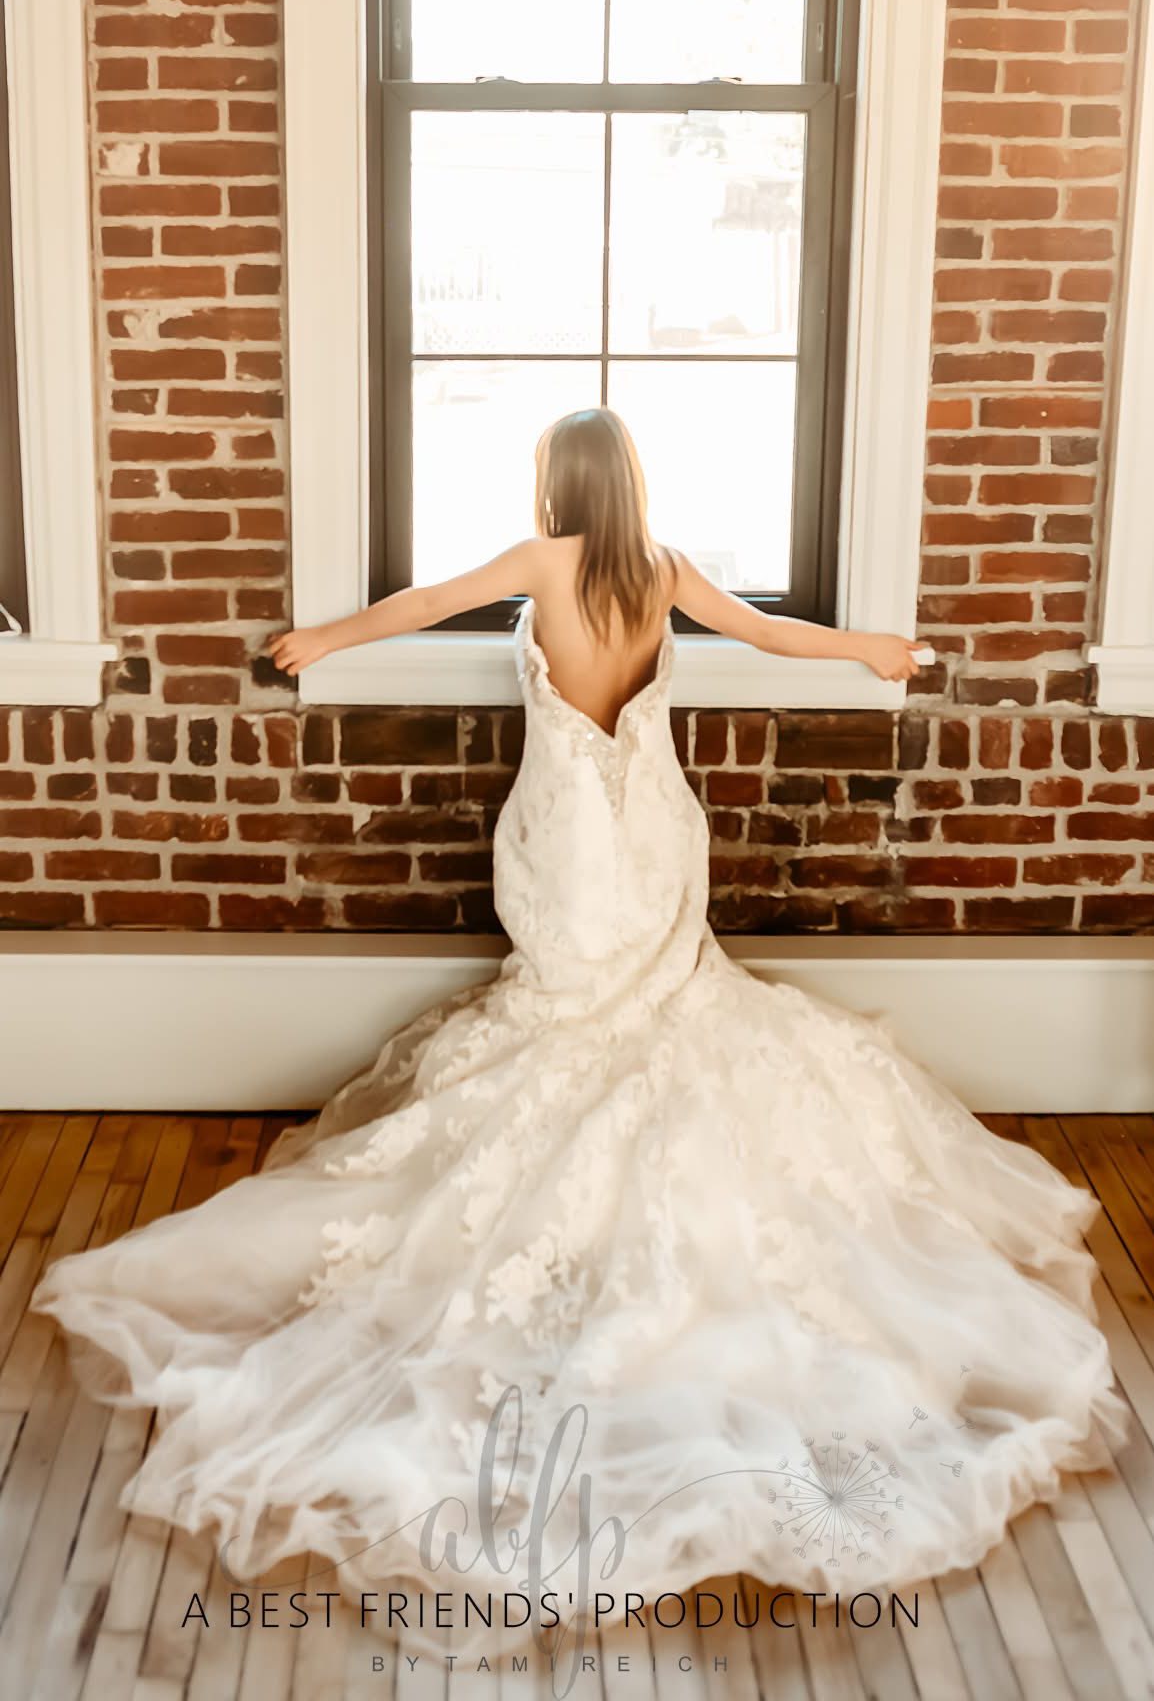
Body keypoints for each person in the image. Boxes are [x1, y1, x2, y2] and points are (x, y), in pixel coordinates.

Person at [32, 408, 1124, 1658]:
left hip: (568, 832)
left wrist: (323, 638)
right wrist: (874, 650)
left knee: (566, 1006)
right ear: (633, 484)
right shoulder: (658, 570)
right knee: (662, 998)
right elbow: (771, 631)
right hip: (653, 828)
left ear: (558, 481)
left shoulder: (539, 560)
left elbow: (426, 596)